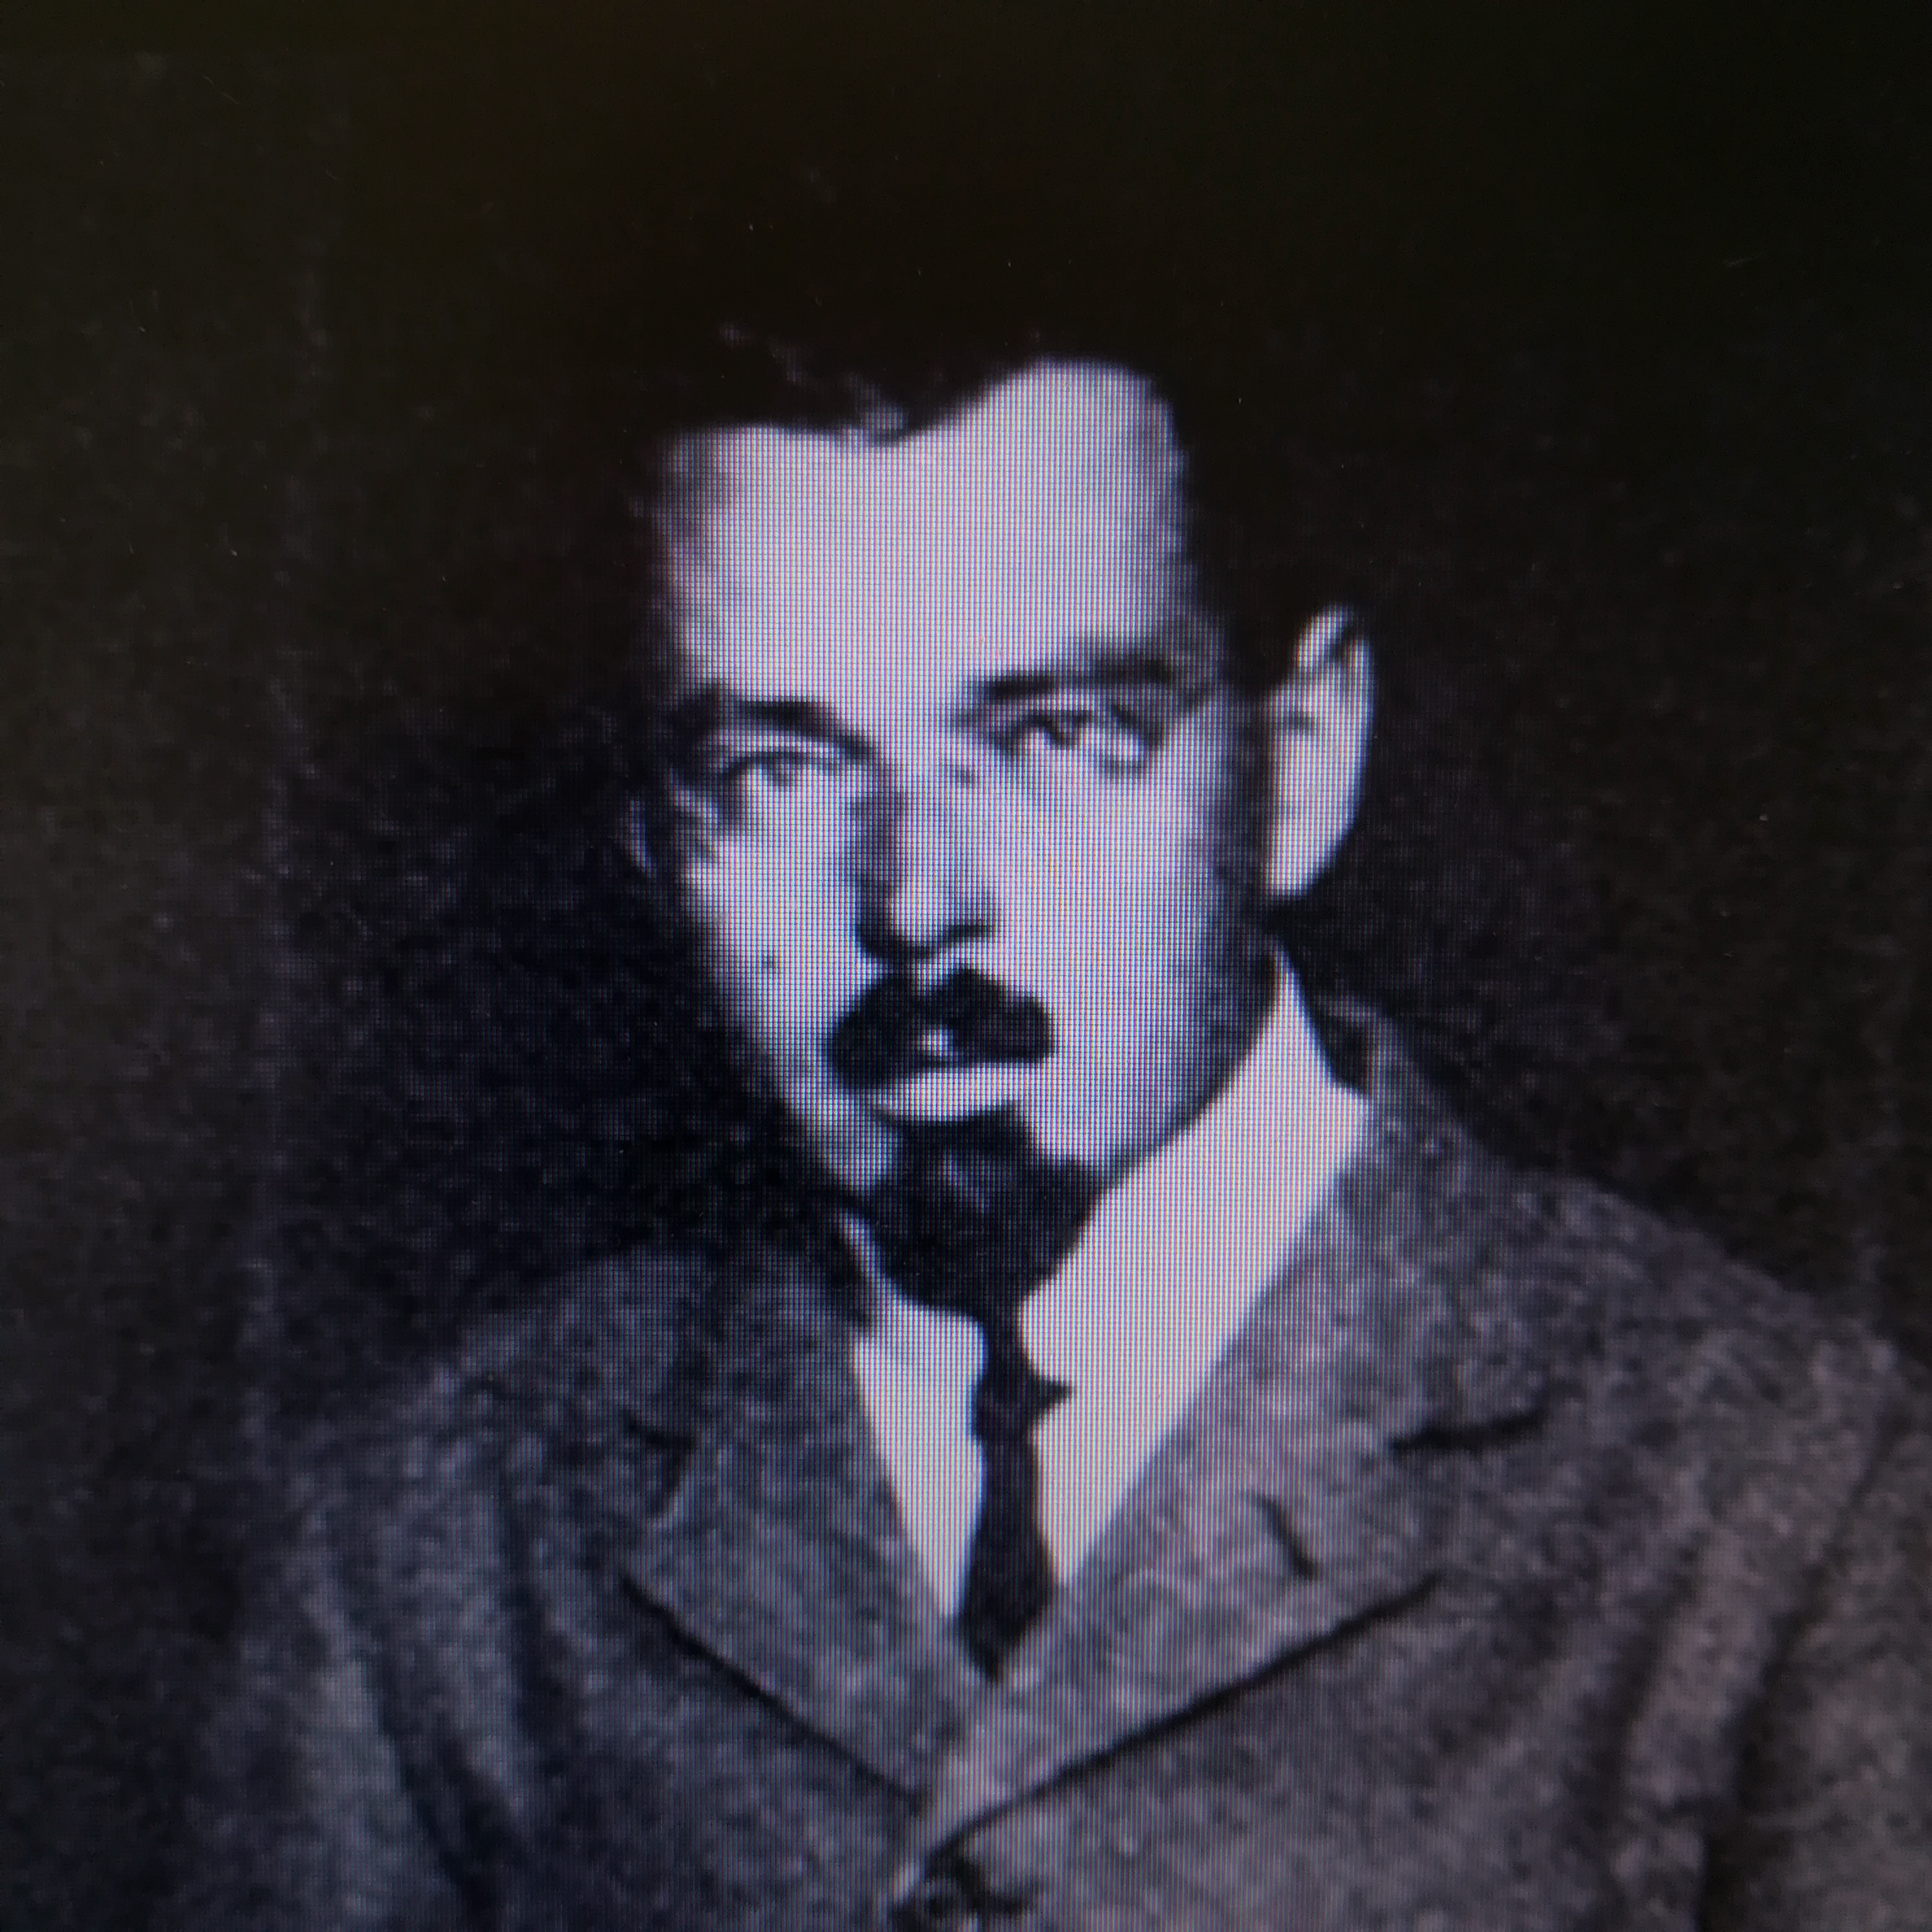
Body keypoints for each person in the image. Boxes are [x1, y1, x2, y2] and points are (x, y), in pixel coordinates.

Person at [169, 341, 1932, 1930]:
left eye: (1058, 737)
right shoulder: (435, 1540)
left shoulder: (1777, 1491)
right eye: (775, 772)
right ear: (651, 837)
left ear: (1303, 759)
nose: (917, 901)